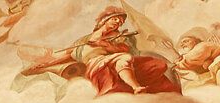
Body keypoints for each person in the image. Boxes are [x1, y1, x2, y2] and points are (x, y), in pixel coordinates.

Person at [20, 7, 182, 96]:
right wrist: (43, 65)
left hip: (119, 60)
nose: (117, 23)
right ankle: (132, 87)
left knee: (126, 58)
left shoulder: (120, 37)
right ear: (104, 21)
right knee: (118, 60)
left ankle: (136, 86)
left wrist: (105, 45)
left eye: (120, 21)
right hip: (95, 64)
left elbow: (128, 51)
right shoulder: (83, 41)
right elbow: (66, 56)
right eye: (115, 19)